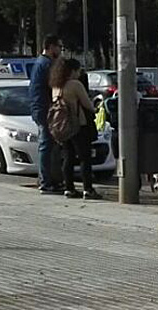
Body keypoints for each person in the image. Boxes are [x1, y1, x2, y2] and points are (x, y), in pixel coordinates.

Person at [50, 58, 99, 199]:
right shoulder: (75, 85)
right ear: (72, 71)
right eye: (78, 71)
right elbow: (87, 104)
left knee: (68, 157)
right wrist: (95, 108)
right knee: (84, 158)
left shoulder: (56, 86)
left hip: (62, 127)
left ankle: (69, 188)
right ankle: (88, 189)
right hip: (78, 125)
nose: (79, 74)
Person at [30, 35, 62, 194]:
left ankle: (48, 179)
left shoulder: (39, 62)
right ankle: (46, 182)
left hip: (39, 107)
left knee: (48, 144)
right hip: (45, 109)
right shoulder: (47, 64)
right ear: (50, 46)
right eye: (59, 47)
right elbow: (54, 85)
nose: (60, 50)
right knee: (46, 145)